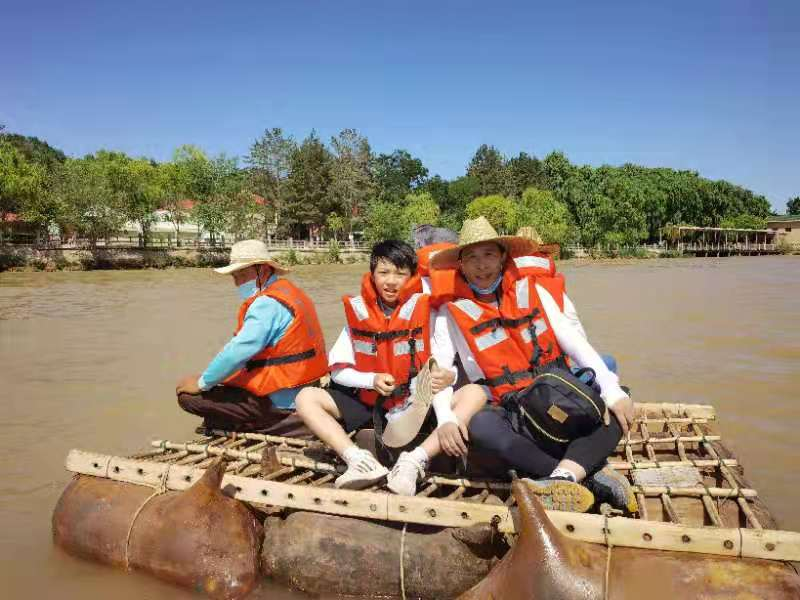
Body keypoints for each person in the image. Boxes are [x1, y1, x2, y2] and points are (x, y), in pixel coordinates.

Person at [429, 217, 637, 513]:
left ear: (503, 257)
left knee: (620, 398)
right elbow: (440, 372)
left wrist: (611, 389)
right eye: (471, 258)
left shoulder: (534, 291)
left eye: (489, 254)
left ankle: (561, 478)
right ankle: (585, 477)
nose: (481, 265)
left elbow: (574, 343)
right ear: (460, 264)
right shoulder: (449, 314)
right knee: (481, 425)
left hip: (556, 396)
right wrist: (444, 418)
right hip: (512, 411)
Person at [295, 240, 486, 494]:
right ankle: (358, 460)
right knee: (306, 397)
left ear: (412, 276)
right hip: (373, 402)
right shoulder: (359, 312)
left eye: (400, 273)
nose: (391, 281)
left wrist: (448, 381)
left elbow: (445, 365)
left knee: (476, 393)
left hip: (419, 402)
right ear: (372, 276)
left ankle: (414, 461)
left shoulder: (430, 311)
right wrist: (370, 379)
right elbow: (338, 370)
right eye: (383, 272)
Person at [175, 239, 328, 436]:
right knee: (220, 387)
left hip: (278, 399)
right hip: (304, 389)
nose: (237, 282)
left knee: (188, 397)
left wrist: (202, 383)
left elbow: (238, 351)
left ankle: (277, 424)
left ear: (262, 271)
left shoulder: (266, 303)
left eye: (242, 275)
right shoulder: (292, 293)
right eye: (234, 276)